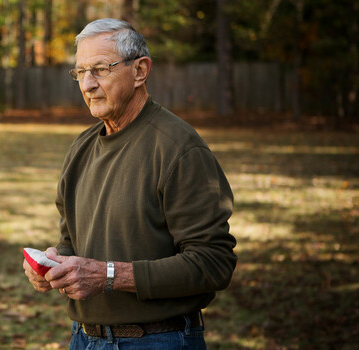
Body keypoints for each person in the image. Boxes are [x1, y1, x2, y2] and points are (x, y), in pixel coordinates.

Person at [22, 18, 237, 349]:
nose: (87, 84)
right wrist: (55, 264)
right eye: (80, 72)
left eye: (100, 69)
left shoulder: (178, 147)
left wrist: (108, 276)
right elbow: (72, 240)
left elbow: (214, 263)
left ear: (140, 71)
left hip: (158, 339)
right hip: (84, 338)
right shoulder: (81, 148)